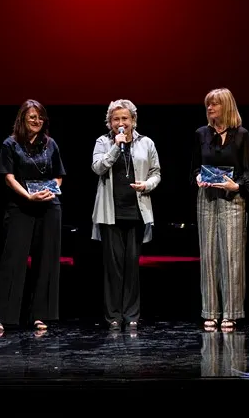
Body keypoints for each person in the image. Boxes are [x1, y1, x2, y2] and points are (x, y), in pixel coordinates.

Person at [0, 100, 66, 334]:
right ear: (22, 119)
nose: (37, 121)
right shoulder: (10, 144)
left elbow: (59, 175)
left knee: (46, 261)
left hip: (49, 206)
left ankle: (40, 314)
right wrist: (28, 196)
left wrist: (50, 191)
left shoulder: (50, 144)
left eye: (40, 118)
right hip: (20, 206)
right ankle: (0, 315)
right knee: (13, 261)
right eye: (32, 117)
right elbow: (9, 177)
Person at [91, 99, 161, 330]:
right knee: (113, 267)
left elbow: (156, 172)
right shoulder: (103, 142)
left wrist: (147, 185)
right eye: (115, 119)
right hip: (110, 213)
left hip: (136, 212)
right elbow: (98, 167)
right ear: (110, 122)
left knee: (132, 265)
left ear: (133, 120)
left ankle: (131, 315)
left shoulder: (146, 143)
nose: (120, 123)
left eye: (125, 119)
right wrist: (115, 146)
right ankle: (113, 315)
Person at [191, 88, 249, 331]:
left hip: (232, 198)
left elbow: (248, 172)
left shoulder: (242, 134)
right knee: (208, 255)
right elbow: (195, 167)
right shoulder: (201, 134)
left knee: (232, 256)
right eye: (208, 105)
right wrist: (197, 178)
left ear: (226, 106)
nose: (210, 108)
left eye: (214, 104)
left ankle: (232, 312)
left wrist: (236, 185)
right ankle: (210, 311)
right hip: (206, 196)